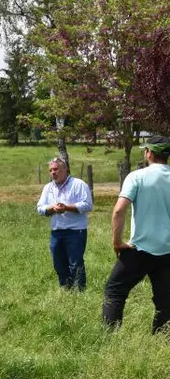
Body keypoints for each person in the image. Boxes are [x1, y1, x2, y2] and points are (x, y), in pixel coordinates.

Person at [102, 136, 170, 333]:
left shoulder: (137, 176)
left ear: (149, 152)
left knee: (114, 291)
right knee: (165, 300)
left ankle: (109, 337)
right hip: (167, 251)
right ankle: (162, 339)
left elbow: (119, 210)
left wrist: (117, 242)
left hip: (139, 249)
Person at [36, 157, 93, 291]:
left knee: (75, 264)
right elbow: (40, 208)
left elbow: (87, 205)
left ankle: (79, 291)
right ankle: (65, 290)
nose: (53, 173)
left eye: (56, 169)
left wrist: (66, 207)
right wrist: (51, 209)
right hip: (56, 231)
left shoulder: (78, 184)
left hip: (76, 231)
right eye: (50, 170)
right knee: (59, 264)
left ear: (65, 169)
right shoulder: (48, 187)